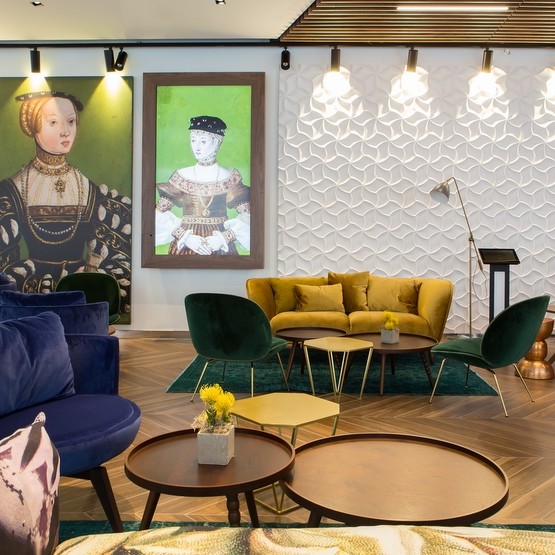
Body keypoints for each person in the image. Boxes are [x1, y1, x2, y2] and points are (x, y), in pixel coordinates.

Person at [0, 91, 131, 311]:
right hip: (32, 288)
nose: (66, 131)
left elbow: (112, 255)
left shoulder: (87, 187)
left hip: (80, 288)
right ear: (33, 127)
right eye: (53, 122)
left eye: (71, 122)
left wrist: (91, 271)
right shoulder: (13, 188)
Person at [155, 115, 250, 255]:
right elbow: (157, 216)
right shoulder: (181, 176)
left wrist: (223, 238)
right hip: (186, 246)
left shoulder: (230, 177)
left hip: (219, 246)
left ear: (217, 142)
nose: (196, 147)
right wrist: (185, 237)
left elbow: (250, 217)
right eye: (193, 140)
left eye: (203, 141)